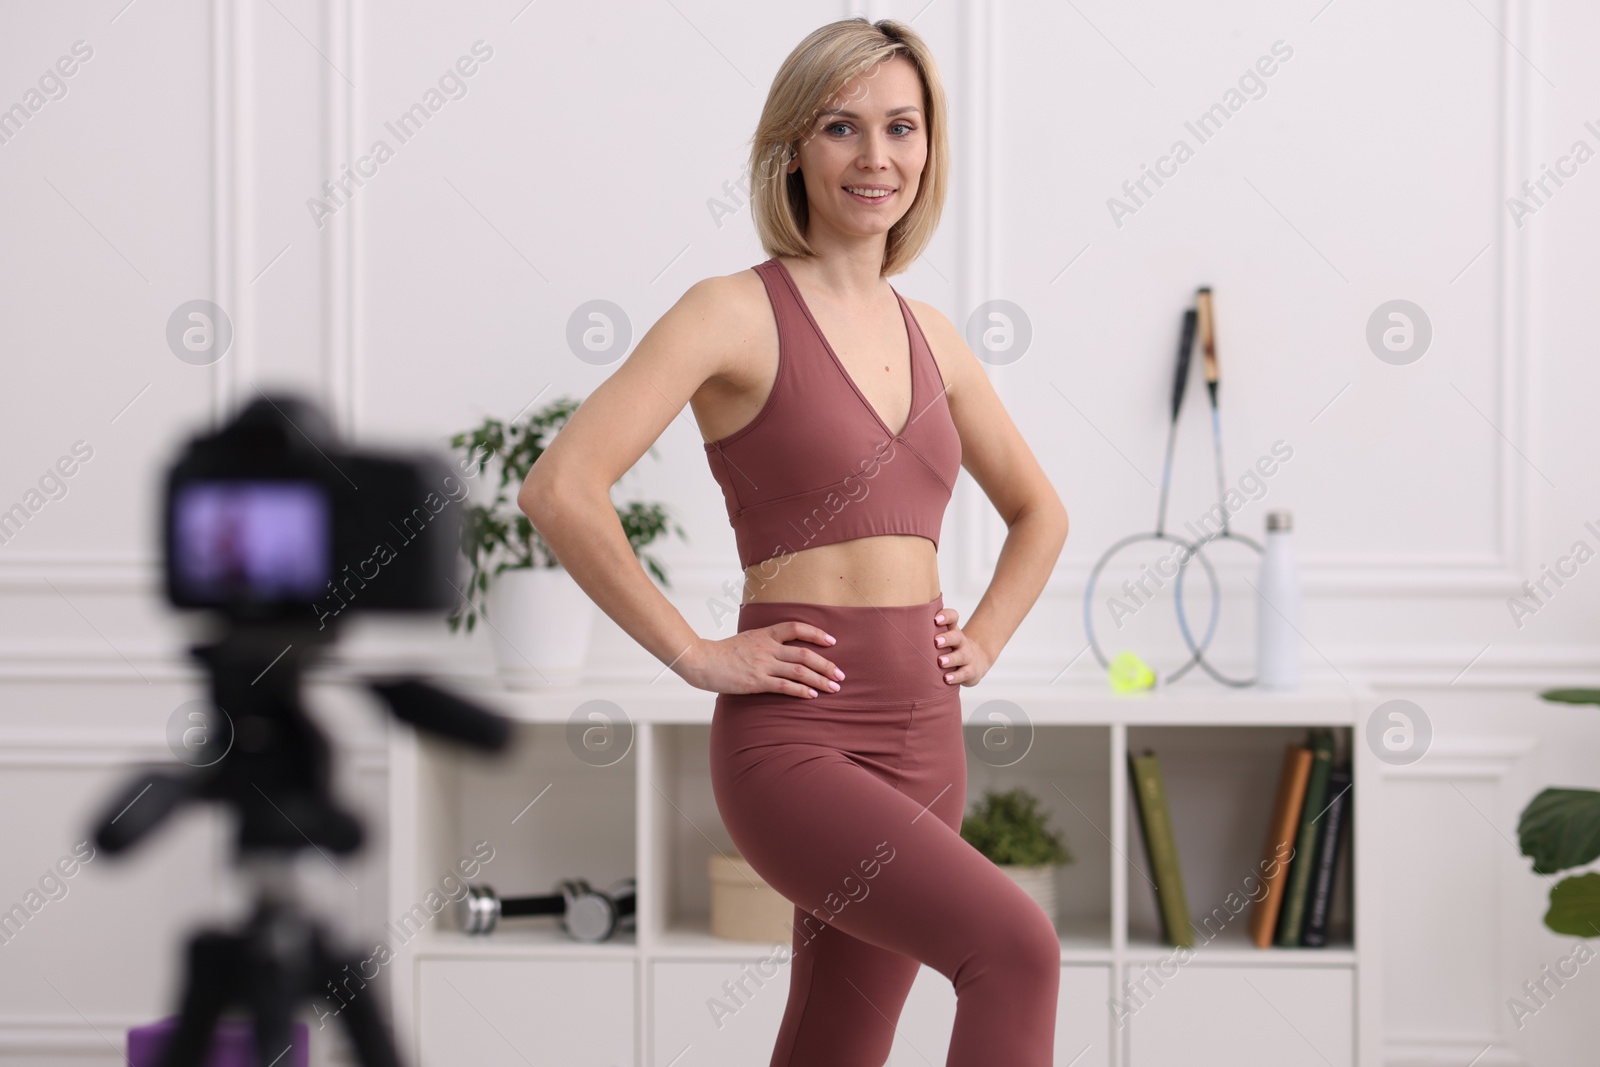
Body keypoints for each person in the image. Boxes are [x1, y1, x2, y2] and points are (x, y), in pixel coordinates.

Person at [519, 16, 1069, 1066]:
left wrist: (986, 637)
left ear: (928, 146)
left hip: (927, 730)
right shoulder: (729, 312)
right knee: (1016, 949)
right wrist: (691, 650)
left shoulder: (935, 336)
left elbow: (1040, 511)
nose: (876, 157)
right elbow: (562, 486)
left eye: (901, 127)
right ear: (793, 150)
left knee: (837, 1037)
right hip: (796, 737)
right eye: (841, 126)